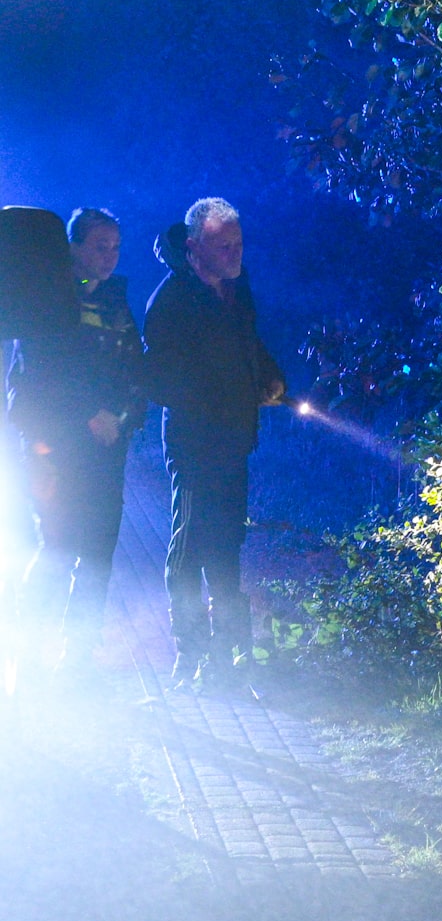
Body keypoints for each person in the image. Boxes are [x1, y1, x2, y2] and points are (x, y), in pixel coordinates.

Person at [142, 198, 286, 687]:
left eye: (238, 243)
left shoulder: (235, 291)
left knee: (226, 547)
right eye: (223, 245)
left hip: (233, 439)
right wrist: (216, 395)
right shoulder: (171, 300)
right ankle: (191, 652)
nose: (234, 253)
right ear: (194, 246)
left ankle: (229, 657)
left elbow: (250, 343)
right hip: (193, 441)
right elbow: (158, 378)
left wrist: (267, 377)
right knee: (190, 547)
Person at [6, 208, 147, 669]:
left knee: (99, 550)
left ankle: (79, 654)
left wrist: (121, 416)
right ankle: (24, 650)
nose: (110, 257)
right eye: (100, 246)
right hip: (59, 448)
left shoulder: (116, 301)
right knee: (59, 545)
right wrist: (88, 414)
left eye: (116, 247)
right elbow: (40, 376)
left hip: (108, 446)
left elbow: (133, 367)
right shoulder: (46, 297)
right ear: (73, 246)